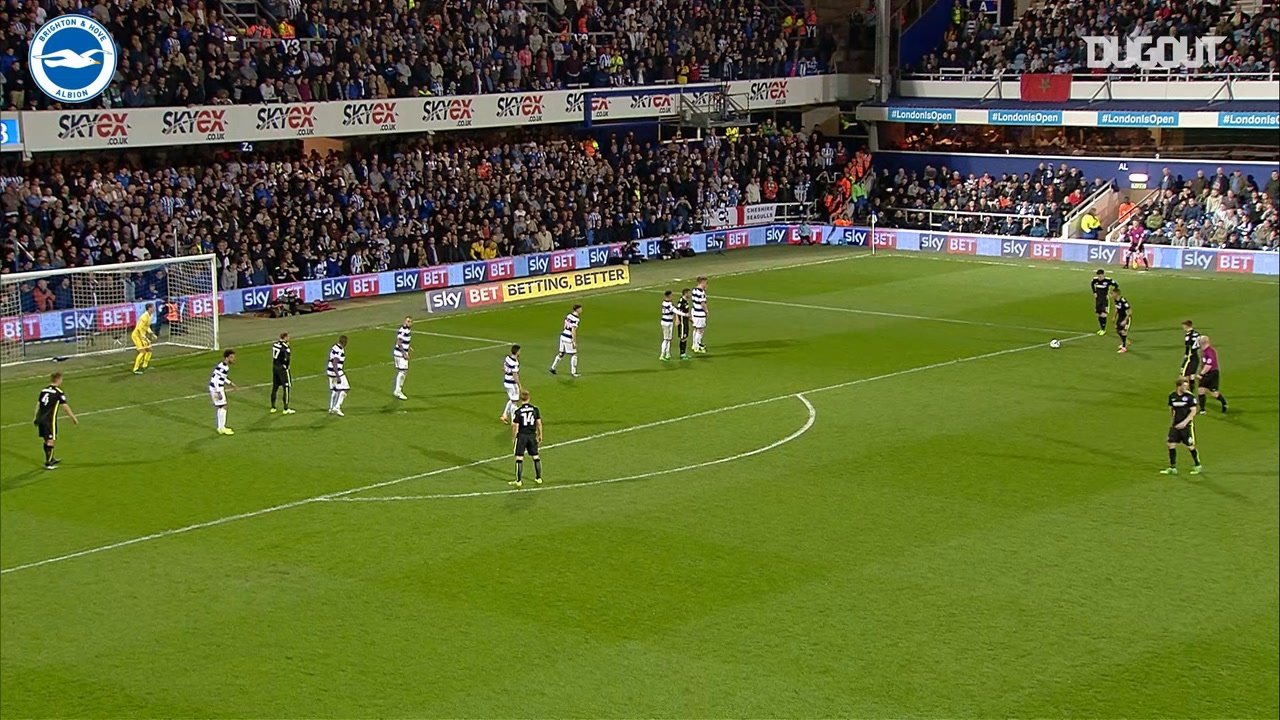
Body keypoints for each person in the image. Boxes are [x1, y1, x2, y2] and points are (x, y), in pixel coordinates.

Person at [33, 371, 78, 469]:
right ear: (58, 379)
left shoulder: (44, 390)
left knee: (46, 439)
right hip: (49, 420)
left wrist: (35, 416)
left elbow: (38, 404)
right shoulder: (58, 392)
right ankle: (48, 463)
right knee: (51, 440)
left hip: (40, 418)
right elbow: (65, 406)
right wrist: (73, 417)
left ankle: (51, 458)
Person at [1161, 377, 1203, 476]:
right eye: (1184, 386)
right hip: (1175, 425)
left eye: (1187, 386)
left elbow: (1193, 411)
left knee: (1190, 446)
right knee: (1170, 444)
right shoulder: (1172, 396)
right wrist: (1173, 421)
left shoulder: (1189, 397)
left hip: (1186, 426)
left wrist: (1184, 423)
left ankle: (1197, 465)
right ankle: (1172, 467)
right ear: (1178, 386)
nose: (1186, 388)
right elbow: (1171, 409)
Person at [508, 389, 544, 488]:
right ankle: (538, 478)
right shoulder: (535, 409)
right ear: (529, 398)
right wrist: (540, 435)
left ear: (520, 399)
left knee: (519, 458)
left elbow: (516, 426)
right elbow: (539, 423)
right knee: (536, 456)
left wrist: (514, 437)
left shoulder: (518, 411)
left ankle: (519, 481)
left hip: (522, 436)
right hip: (532, 435)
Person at [1196, 335, 1228, 413]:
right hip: (1206, 373)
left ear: (1202, 343)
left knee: (1214, 393)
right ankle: (1202, 409)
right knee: (1201, 390)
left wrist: (1201, 374)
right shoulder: (1204, 351)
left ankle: (1224, 403)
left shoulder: (1210, 352)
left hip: (1212, 374)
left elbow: (1209, 365)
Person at [549, 304, 582, 377]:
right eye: (580, 309)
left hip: (563, 335)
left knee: (561, 353)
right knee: (574, 354)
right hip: (568, 337)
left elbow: (565, 325)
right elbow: (573, 331)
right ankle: (574, 372)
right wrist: (574, 342)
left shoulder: (569, 315)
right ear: (577, 309)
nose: (581, 310)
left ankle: (552, 368)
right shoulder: (576, 319)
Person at [210, 349, 237, 435]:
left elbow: (221, 377)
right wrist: (218, 391)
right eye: (231, 357)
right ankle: (222, 428)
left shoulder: (222, 365)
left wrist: (230, 383)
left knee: (221, 407)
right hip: (216, 388)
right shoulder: (223, 367)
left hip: (214, 387)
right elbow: (216, 380)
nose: (233, 359)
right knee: (224, 406)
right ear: (226, 358)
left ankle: (220, 427)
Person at [659, 290, 687, 361]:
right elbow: (675, 311)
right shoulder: (668, 304)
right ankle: (662, 355)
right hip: (666, 323)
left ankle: (668, 353)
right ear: (669, 296)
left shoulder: (665, 303)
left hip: (668, 322)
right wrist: (685, 314)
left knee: (669, 339)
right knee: (666, 339)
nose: (673, 296)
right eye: (672, 295)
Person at [270, 332, 295, 414]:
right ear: (285, 337)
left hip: (274, 367)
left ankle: (273, 407)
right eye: (288, 337)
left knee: (275, 387)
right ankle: (286, 408)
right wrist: (287, 366)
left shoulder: (275, 344)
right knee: (286, 387)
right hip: (282, 368)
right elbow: (287, 359)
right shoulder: (286, 347)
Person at [131, 302, 157, 374]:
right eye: (153, 307)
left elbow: (146, 326)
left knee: (149, 350)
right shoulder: (144, 317)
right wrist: (143, 337)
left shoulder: (150, 316)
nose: (154, 308)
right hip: (137, 335)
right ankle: (135, 369)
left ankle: (145, 365)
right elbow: (139, 327)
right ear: (149, 308)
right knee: (142, 352)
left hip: (142, 335)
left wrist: (151, 333)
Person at [327, 335, 349, 416]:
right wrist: (338, 376)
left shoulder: (334, 347)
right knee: (346, 388)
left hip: (329, 371)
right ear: (344, 342)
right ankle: (337, 407)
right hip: (336, 372)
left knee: (335, 390)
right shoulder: (339, 350)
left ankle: (331, 408)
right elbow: (335, 362)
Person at [1089, 269, 1116, 335]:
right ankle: (1101, 328)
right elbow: (1092, 284)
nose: (1099, 277)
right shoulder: (1095, 280)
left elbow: (1116, 285)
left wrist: (1111, 293)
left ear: (1103, 275)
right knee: (1098, 314)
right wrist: (1094, 292)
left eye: (1100, 276)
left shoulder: (1108, 280)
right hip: (1098, 299)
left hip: (1105, 299)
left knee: (1104, 314)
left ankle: (1103, 329)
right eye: (1098, 276)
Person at [500, 344, 522, 423]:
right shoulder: (514, 363)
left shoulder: (507, 358)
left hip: (506, 381)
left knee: (512, 399)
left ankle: (504, 415)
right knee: (515, 402)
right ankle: (514, 421)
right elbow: (515, 375)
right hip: (512, 383)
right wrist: (519, 385)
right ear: (517, 352)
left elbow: (503, 368)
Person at [393, 316, 413, 400]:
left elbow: (403, 341)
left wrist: (408, 347)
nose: (409, 323)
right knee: (402, 371)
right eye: (408, 321)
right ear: (404, 322)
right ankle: (398, 390)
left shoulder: (407, 330)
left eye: (411, 321)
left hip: (398, 353)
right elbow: (399, 342)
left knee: (402, 371)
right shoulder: (403, 331)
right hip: (400, 354)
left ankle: (398, 390)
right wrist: (404, 353)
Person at [1180, 320, 1201, 391]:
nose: (1183, 328)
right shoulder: (1197, 334)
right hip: (1196, 357)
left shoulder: (1188, 335)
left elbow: (1188, 347)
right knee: (1192, 375)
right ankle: (1192, 392)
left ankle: (1186, 392)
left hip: (1189, 357)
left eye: (1183, 326)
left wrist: (1186, 355)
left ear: (1186, 326)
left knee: (1183, 376)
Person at [691, 276, 709, 353]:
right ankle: (697, 347)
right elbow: (702, 303)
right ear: (702, 282)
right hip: (700, 313)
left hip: (694, 312)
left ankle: (694, 344)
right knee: (700, 330)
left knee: (696, 329)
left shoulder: (694, 290)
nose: (706, 284)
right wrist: (706, 311)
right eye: (706, 282)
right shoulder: (701, 292)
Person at [1111, 286, 1131, 353]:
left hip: (1126, 318)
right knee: (1117, 329)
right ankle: (1125, 342)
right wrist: (1114, 316)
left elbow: (1130, 311)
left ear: (1117, 294)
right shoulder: (1116, 300)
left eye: (1112, 293)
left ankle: (1124, 347)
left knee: (1123, 331)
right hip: (1120, 317)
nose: (1111, 295)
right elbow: (1117, 308)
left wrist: (1125, 320)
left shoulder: (1123, 301)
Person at [676, 288, 693, 360]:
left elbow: (686, 312)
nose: (690, 294)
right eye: (689, 293)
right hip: (682, 322)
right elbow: (677, 311)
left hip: (685, 321)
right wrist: (677, 319)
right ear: (685, 293)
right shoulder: (681, 302)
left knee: (685, 337)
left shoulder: (686, 301)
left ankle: (684, 353)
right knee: (683, 337)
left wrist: (690, 319)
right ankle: (682, 354)